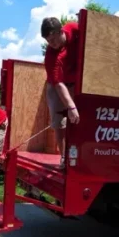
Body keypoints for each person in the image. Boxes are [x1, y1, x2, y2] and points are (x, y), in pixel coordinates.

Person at [41, 17, 81, 168]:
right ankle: (64, 157)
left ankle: (79, 156)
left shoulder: (73, 28)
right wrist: (71, 107)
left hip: (77, 83)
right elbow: (58, 84)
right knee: (59, 123)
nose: (51, 44)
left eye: (53, 39)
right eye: (47, 41)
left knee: (80, 119)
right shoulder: (51, 57)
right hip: (57, 86)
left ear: (60, 31)